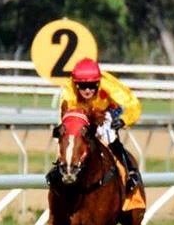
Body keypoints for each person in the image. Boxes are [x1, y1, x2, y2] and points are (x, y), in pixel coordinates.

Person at [61, 58, 143, 192]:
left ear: (98, 83)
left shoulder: (108, 84)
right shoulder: (69, 89)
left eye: (92, 85)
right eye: (82, 86)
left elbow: (133, 104)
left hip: (104, 113)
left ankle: (130, 172)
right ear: (76, 85)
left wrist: (124, 119)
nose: (87, 91)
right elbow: (67, 113)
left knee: (109, 136)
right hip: (80, 115)